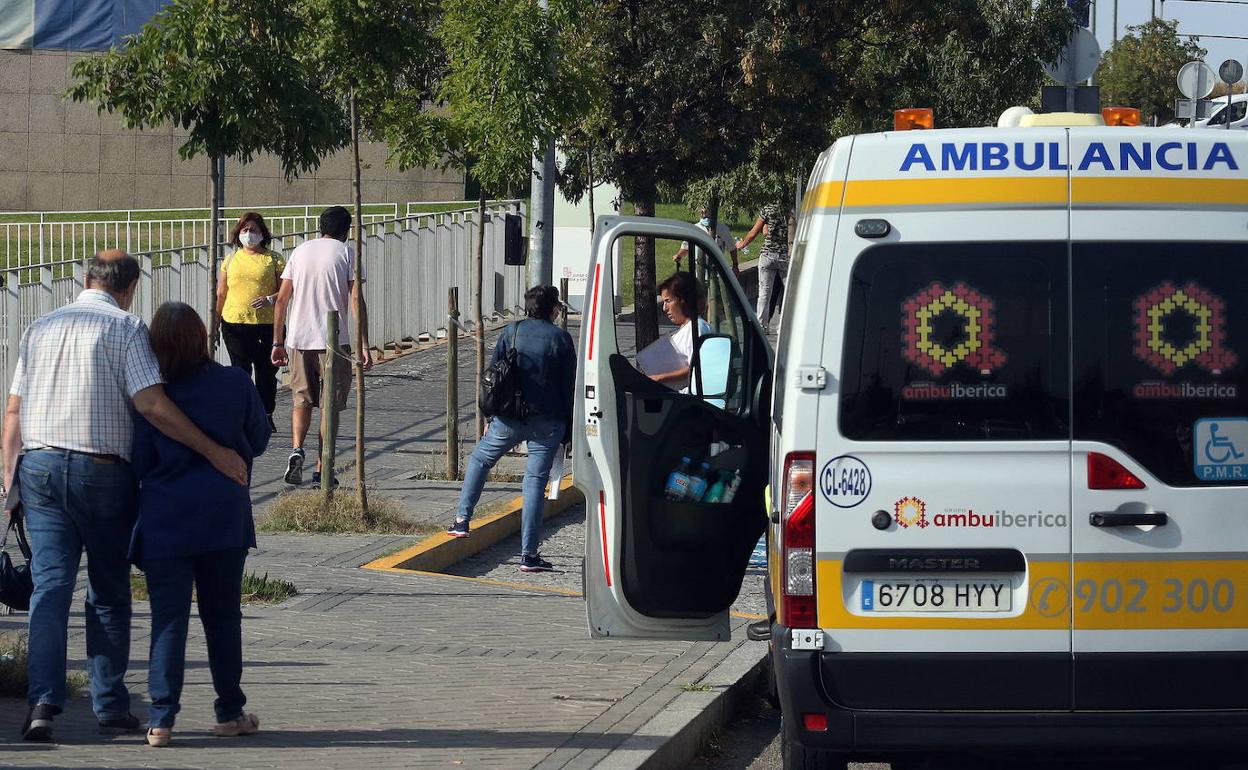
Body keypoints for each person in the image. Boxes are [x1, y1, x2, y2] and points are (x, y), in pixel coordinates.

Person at [1, 251, 248, 744]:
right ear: (130, 287)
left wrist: (9, 487)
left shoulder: (40, 328)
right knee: (108, 591)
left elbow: (13, 414)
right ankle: (110, 706)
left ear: (86, 279)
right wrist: (214, 451)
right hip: (102, 472)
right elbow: (153, 404)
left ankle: (43, 703)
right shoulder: (127, 329)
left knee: (50, 590)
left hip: (41, 468)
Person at [131, 302, 269, 748]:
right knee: (223, 615)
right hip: (223, 514)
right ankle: (229, 710)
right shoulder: (233, 382)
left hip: (166, 516)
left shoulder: (151, 397)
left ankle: (161, 718)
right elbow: (261, 437)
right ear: (201, 336)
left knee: (168, 619)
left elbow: (139, 460)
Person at [446, 286, 575, 573]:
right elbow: (569, 387)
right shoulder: (561, 339)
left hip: (509, 418)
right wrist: (568, 431)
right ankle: (529, 556)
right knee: (534, 483)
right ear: (553, 309)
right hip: (548, 421)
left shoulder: (511, 331)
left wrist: (488, 414)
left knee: (481, 459)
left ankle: (461, 521)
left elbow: (493, 376)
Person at [271, 206, 372, 487]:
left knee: (301, 400)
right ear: (346, 230)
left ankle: (296, 448)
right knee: (330, 405)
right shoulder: (347, 253)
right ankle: (321, 467)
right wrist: (363, 343)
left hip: (299, 340)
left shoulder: (300, 251)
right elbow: (355, 300)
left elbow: (281, 300)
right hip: (334, 341)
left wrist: (277, 343)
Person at [216, 212, 285, 430]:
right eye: (245, 230)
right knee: (240, 371)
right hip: (235, 323)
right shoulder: (230, 259)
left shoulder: (273, 259)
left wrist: (269, 299)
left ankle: (266, 413)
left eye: (253, 230)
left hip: (266, 325)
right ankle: (243, 416)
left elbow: (285, 290)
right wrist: (215, 324)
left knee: (266, 373)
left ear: (263, 234)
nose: (249, 234)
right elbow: (221, 293)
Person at [648, 272, 712, 389]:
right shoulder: (684, 329)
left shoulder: (697, 328)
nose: (664, 308)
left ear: (684, 300)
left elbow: (695, 367)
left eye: (668, 301)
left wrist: (659, 378)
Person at [735, 201, 792, 330]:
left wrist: (742, 244)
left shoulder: (767, 209)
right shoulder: (791, 209)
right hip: (784, 256)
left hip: (767, 255)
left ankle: (762, 325)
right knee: (789, 292)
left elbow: (754, 232)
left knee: (764, 292)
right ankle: (783, 326)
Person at [672, 208, 739, 274]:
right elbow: (686, 247)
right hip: (699, 268)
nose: (704, 212)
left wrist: (735, 265)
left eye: (706, 211)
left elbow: (732, 248)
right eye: (702, 211)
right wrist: (678, 255)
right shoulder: (694, 229)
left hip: (717, 269)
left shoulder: (722, 229)